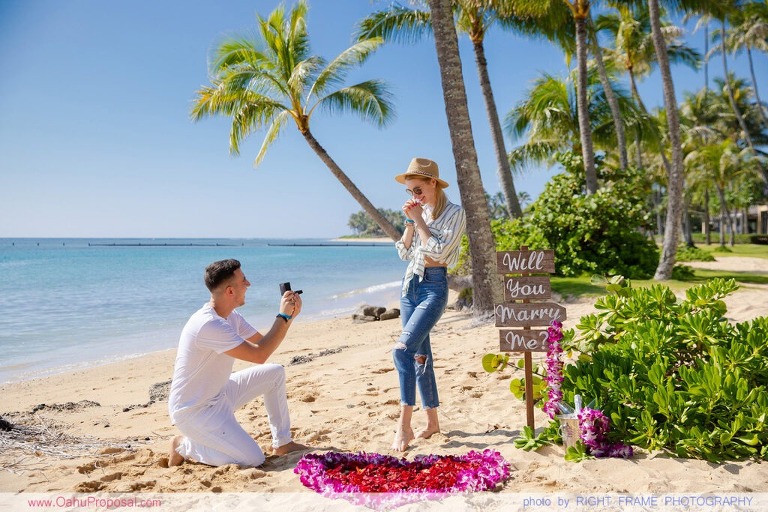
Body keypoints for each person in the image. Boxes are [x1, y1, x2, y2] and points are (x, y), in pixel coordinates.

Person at [167, 258, 306, 467]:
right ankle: (183, 445)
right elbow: (259, 355)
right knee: (253, 459)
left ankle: (283, 443)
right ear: (230, 291)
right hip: (194, 411)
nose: (248, 284)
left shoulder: (231, 317)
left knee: (275, 373)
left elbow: (263, 343)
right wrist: (283, 316)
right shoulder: (208, 324)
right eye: (244, 280)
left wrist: (289, 317)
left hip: (220, 393)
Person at [391, 157, 467, 451]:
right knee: (421, 356)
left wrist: (420, 220)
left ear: (433, 183)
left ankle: (404, 426)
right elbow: (403, 252)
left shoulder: (455, 214)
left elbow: (438, 253)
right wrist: (411, 222)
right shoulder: (418, 212)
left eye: (418, 190)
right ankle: (432, 423)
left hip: (433, 287)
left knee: (402, 350)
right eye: (410, 191)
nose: (415, 196)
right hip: (409, 287)